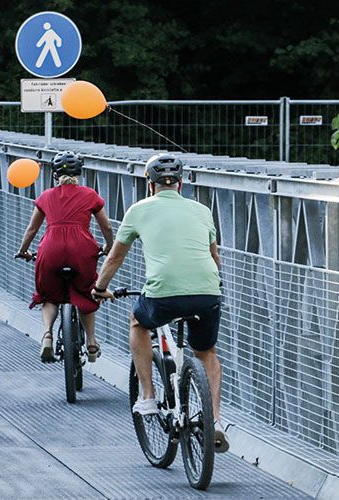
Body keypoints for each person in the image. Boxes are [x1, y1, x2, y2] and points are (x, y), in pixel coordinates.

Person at [91, 153, 228, 453]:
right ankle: (215, 421)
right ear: (181, 184)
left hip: (163, 294)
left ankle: (148, 397)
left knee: (138, 323)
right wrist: (213, 288)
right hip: (207, 292)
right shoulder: (202, 210)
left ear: (149, 184)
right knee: (207, 353)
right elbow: (214, 257)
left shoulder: (139, 210)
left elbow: (114, 257)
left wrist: (100, 288)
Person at [15, 151, 114, 363]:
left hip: (51, 250)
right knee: (88, 291)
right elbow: (106, 225)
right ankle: (91, 342)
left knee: (49, 295)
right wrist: (109, 246)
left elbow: (32, 229)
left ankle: (47, 335)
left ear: (54, 174)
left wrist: (23, 250)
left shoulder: (46, 196)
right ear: (79, 173)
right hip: (82, 250)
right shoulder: (90, 195)